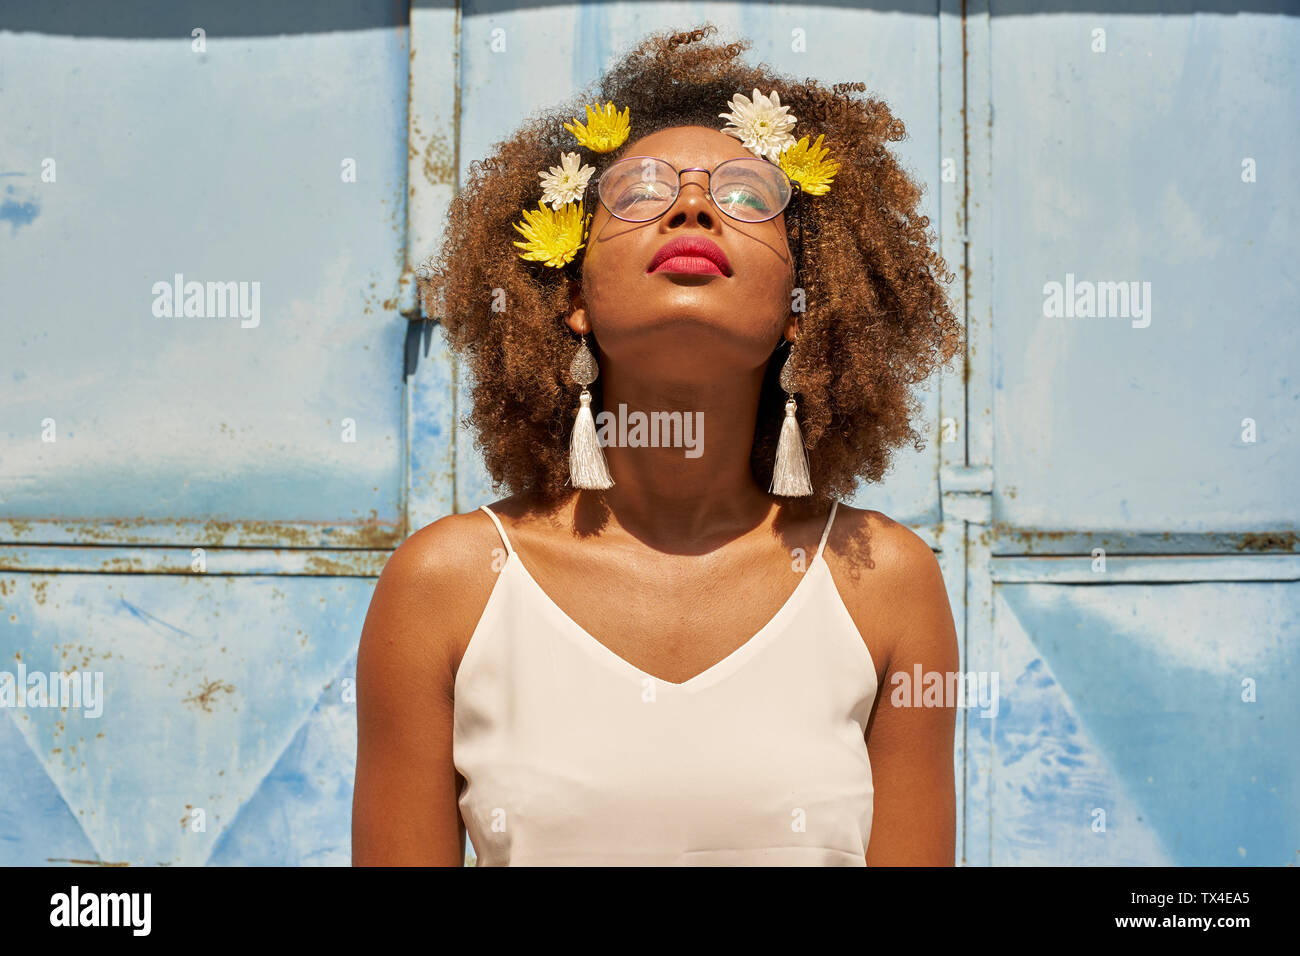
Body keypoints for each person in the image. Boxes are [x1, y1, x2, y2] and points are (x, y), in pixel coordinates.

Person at [353, 25, 963, 866]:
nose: (692, 205)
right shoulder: (447, 588)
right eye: (637, 191)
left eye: (751, 195)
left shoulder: (883, 583)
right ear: (572, 292)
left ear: (800, 305)